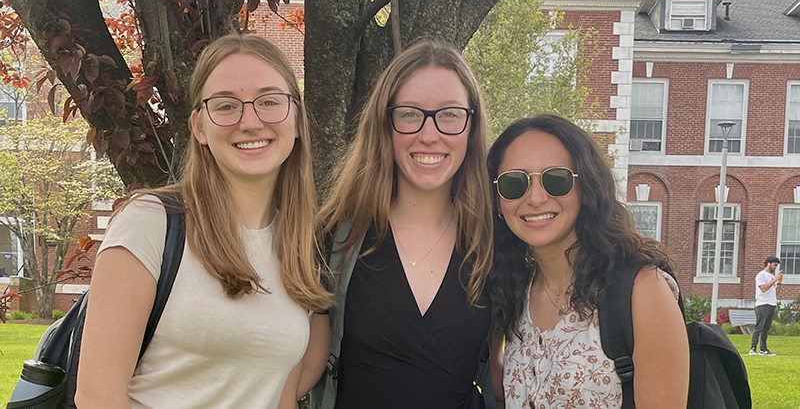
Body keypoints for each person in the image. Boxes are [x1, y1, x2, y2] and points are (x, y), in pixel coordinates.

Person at [75, 34, 332, 409]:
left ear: (296, 119)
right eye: (226, 106)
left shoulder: (298, 246)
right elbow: (98, 397)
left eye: (270, 102)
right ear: (199, 127)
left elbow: (280, 396)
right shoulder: (150, 224)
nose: (250, 121)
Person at [313, 39, 494, 409]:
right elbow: (289, 365)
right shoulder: (333, 241)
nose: (430, 134)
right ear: (385, 124)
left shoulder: (496, 242)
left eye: (450, 114)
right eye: (410, 114)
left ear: (471, 127)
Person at [487, 114, 689, 409]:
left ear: (586, 189)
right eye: (514, 183)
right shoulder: (512, 292)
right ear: (497, 201)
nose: (536, 197)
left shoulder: (643, 291)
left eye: (556, 179)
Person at [749, 256, 783, 356]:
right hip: (763, 303)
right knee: (759, 326)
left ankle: (763, 349)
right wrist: (774, 280)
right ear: (768, 263)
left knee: (766, 328)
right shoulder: (761, 275)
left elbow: (776, 292)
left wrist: (779, 282)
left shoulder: (772, 276)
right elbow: (763, 289)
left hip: (772, 303)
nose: (775, 267)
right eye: (774, 265)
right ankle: (753, 348)